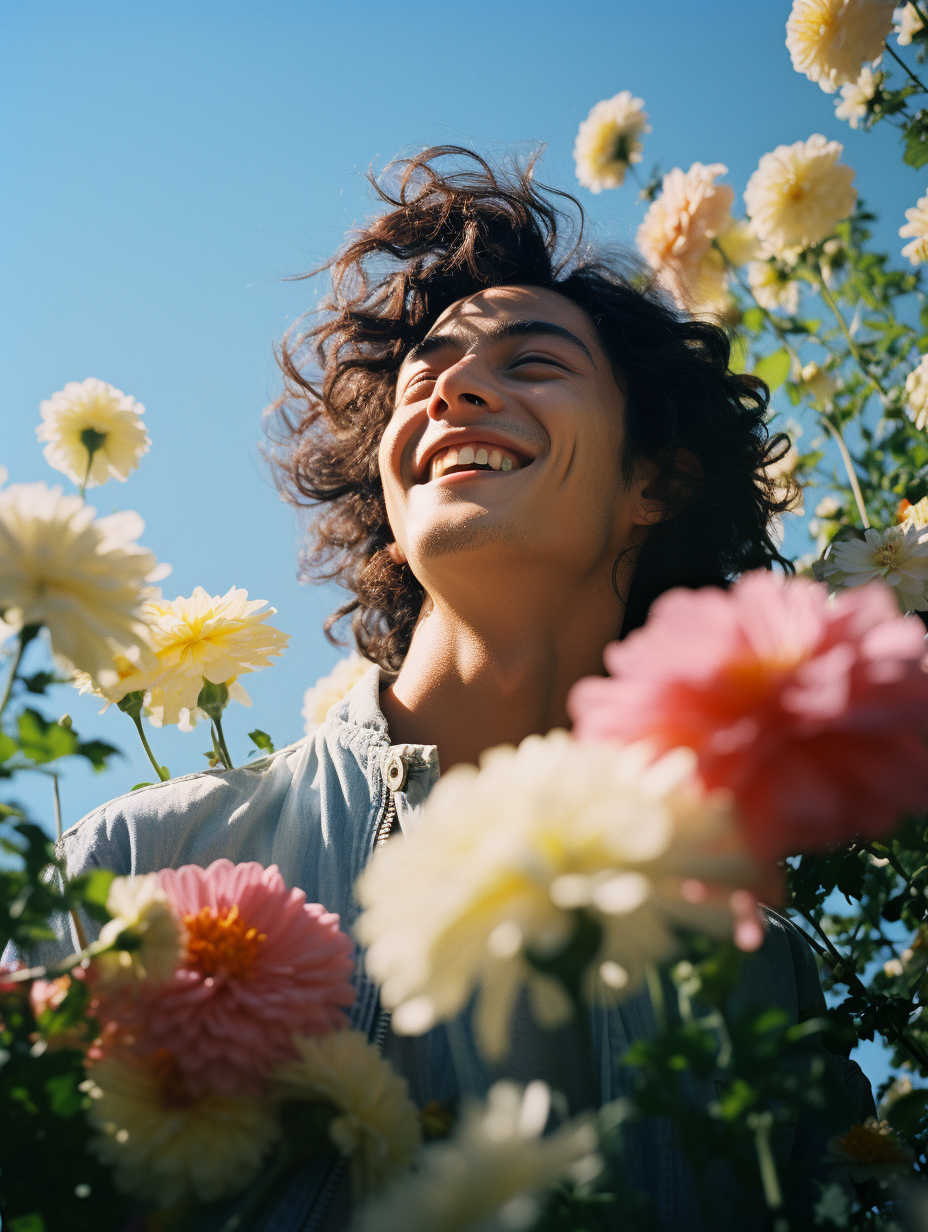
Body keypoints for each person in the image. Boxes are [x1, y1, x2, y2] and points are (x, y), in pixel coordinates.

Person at [46, 148, 873, 1230]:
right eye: (424, 369)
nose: (451, 388)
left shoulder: (754, 978)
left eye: (534, 362)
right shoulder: (138, 865)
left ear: (655, 481)